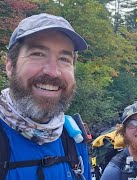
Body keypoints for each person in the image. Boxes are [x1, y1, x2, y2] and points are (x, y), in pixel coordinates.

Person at [0, 13, 91, 179]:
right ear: (10, 66)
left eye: (64, 59)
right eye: (38, 54)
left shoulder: (73, 138)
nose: (53, 71)